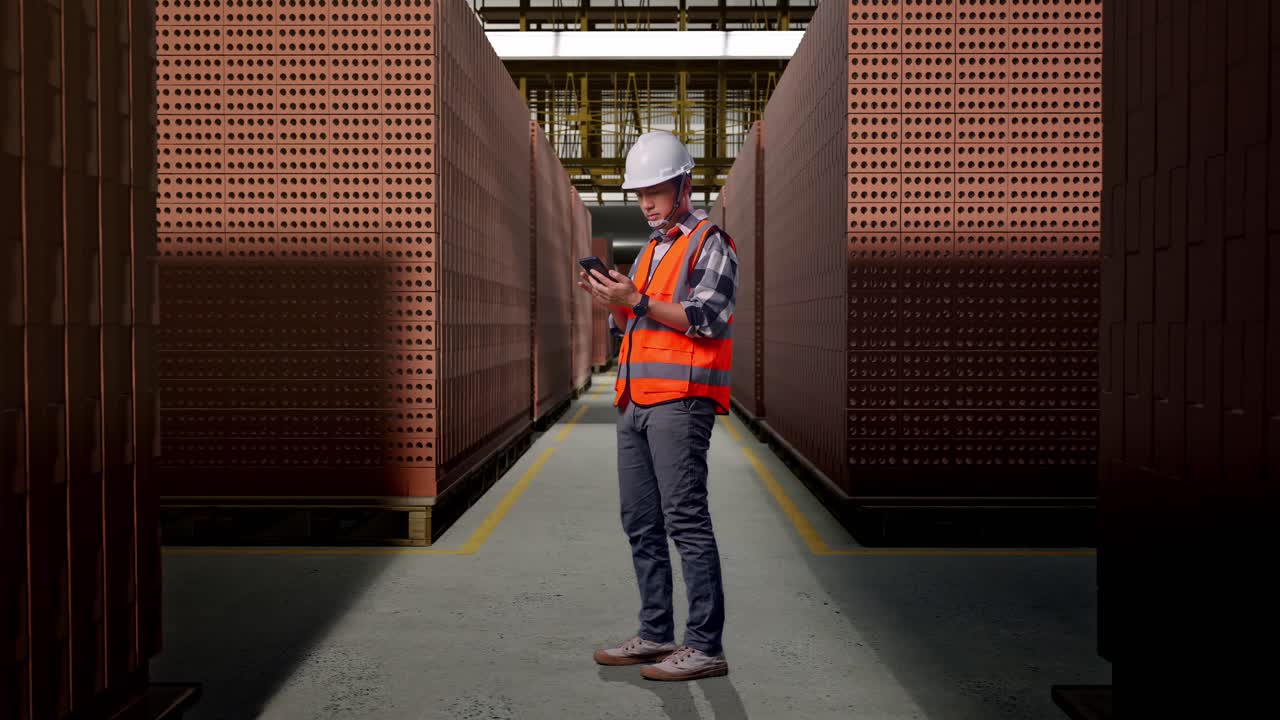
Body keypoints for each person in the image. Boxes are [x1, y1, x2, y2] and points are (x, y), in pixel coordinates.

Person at [576, 130, 738, 682]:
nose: (646, 202)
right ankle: (655, 633)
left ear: (684, 185)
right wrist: (611, 299)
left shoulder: (710, 241)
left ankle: (704, 645)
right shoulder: (648, 250)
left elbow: (706, 317)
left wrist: (637, 299)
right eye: (640, 192)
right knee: (640, 522)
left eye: (656, 190)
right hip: (635, 399)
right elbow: (636, 321)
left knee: (685, 521)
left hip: (681, 401)